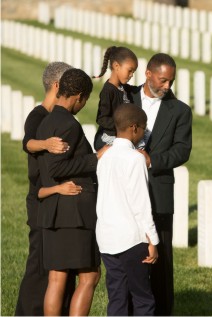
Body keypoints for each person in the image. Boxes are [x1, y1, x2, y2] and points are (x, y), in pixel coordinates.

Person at [36, 67, 108, 316]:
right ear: (79, 96)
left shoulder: (47, 120)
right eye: (85, 99)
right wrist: (94, 159)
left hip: (55, 211)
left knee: (57, 277)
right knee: (90, 276)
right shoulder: (68, 124)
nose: (84, 104)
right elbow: (57, 168)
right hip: (74, 213)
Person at [15, 62, 81, 316]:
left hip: (59, 198)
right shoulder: (39, 116)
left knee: (59, 266)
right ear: (57, 86)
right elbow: (28, 143)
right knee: (40, 268)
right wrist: (46, 143)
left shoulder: (60, 118)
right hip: (41, 200)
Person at [131, 53, 193, 315]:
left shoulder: (179, 110)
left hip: (158, 191)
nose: (168, 86)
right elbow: (103, 136)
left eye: (171, 81)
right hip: (125, 191)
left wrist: (152, 160)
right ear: (148, 74)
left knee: (161, 262)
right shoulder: (126, 97)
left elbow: (182, 150)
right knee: (128, 259)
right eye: (163, 80)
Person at [96, 103, 159, 316]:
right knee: (142, 298)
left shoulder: (104, 158)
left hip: (107, 237)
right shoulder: (135, 159)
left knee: (117, 296)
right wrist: (153, 240)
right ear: (134, 128)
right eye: (143, 128)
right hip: (131, 239)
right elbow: (141, 204)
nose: (143, 133)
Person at [93, 46, 138, 151]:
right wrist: (123, 127)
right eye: (130, 71)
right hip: (111, 136)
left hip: (123, 135)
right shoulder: (108, 91)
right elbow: (101, 118)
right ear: (116, 66)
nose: (131, 75)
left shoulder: (123, 87)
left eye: (133, 72)